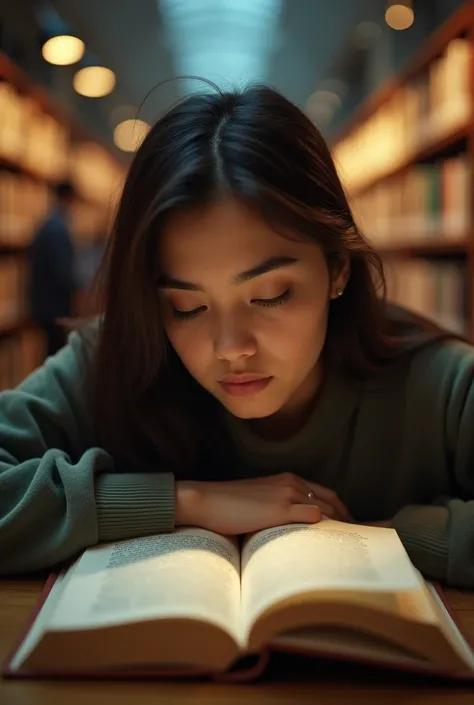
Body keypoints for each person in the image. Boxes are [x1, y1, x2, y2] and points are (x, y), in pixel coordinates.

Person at [1, 85, 474, 588]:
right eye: (187, 306)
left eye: (270, 295)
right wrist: (183, 501)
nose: (231, 347)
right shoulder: (113, 360)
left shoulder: (442, 387)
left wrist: (388, 537)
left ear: (338, 268)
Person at [29, 180, 77, 357]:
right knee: (55, 353)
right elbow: (62, 274)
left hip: (43, 304)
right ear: (69, 199)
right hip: (54, 307)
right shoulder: (58, 229)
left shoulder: (47, 223)